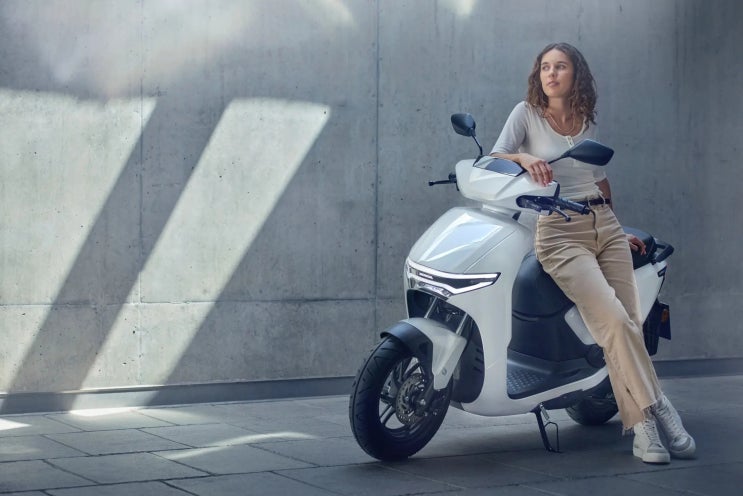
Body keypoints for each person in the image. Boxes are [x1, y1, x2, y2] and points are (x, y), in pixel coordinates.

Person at [489, 42, 695, 464]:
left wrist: (617, 229)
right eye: (545, 67)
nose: (551, 74)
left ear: (575, 74)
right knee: (614, 321)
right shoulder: (526, 113)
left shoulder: (586, 119)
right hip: (559, 232)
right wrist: (524, 158)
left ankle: (645, 426)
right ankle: (656, 413)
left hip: (604, 225)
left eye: (560, 66)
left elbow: (599, 179)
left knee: (629, 325)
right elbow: (495, 157)